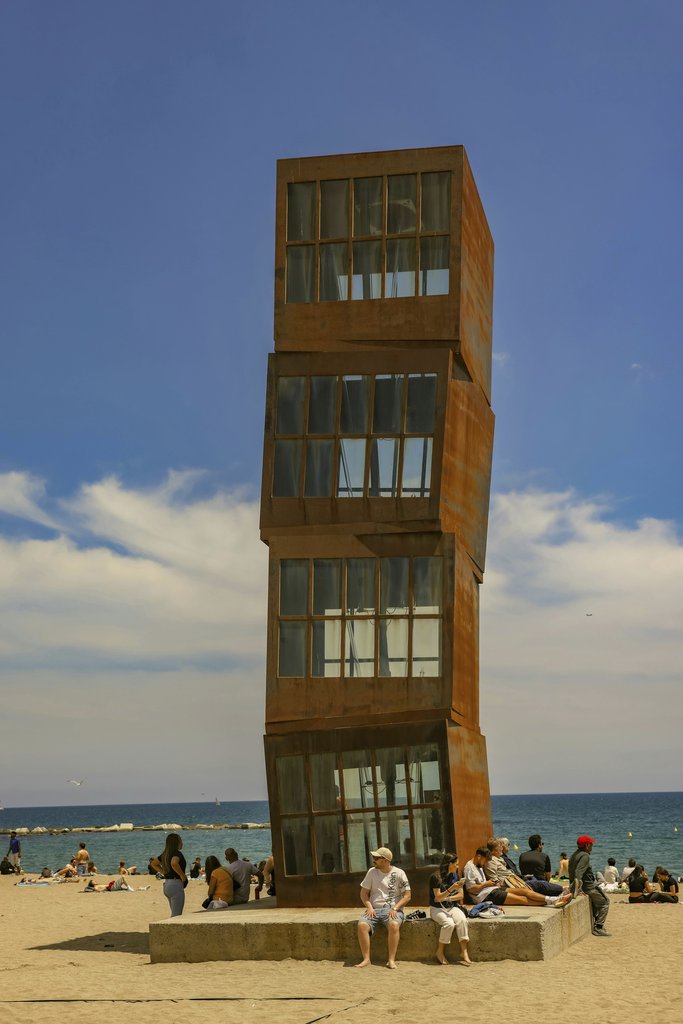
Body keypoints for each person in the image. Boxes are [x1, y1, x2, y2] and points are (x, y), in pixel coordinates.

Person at [356, 847, 411, 969]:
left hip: (393, 909)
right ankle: (366, 959)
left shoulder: (399, 873)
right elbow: (363, 894)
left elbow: (407, 896)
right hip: (374, 909)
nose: (373, 860)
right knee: (362, 925)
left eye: (376, 858)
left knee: (394, 925)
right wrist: (369, 907)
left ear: (385, 860)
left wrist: (396, 908)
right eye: (373, 858)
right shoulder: (371, 872)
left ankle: (391, 960)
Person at [478, 844, 572, 908]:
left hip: (513, 882)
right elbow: (492, 879)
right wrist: (487, 884)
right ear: (494, 851)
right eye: (500, 848)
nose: (502, 849)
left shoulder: (499, 859)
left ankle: (557, 896)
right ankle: (561, 892)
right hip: (509, 884)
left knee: (535, 884)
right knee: (536, 886)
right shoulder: (491, 861)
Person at [429, 852, 471, 966]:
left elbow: (461, 895)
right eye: (456, 864)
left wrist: (447, 898)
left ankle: (464, 951)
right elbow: (437, 899)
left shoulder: (455, 876)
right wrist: (451, 888)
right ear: (449, 864)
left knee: (462, 920)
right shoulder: (436, 877)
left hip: (450, 906)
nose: (458, 867)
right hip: (436, 909)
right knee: (449, 924)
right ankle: (440, 952)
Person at [569, 835, 610, 936]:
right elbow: (578, 872)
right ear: (587, 845)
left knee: (597, 902)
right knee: (605, 902)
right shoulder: (585, 856)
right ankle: (598, 927)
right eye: (591, 844)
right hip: (588, 887)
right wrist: (578, 889)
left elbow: (572, 872)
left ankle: (596, 923)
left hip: (583, 886)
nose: (592, 846)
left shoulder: (575, 854)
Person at [150, 833, 187, 917]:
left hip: (167, 884)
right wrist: (182, 875)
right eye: (181, 840)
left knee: (174, 914)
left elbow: (153, 863)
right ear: (177, 842)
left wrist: (164, 872)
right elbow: (174, 863)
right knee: (177, 915)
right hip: (175, 884)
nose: (182, 842)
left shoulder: (165, 854)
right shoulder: (177, 853)